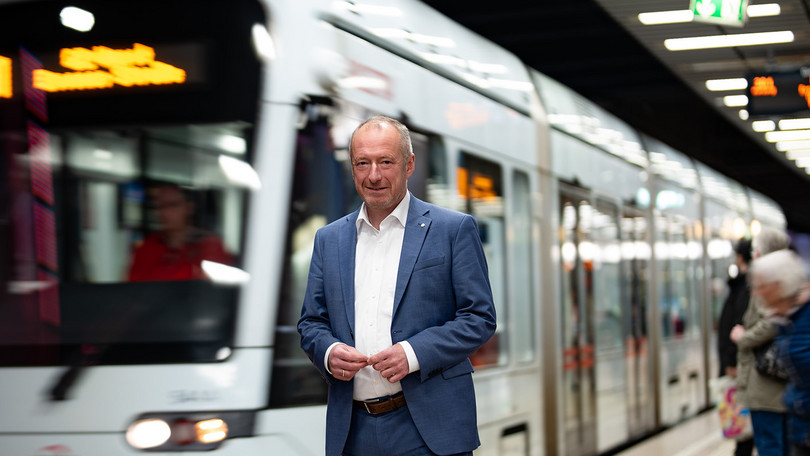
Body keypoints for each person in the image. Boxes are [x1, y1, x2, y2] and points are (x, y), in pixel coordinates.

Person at [297, 116, 497, 456]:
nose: (373, 175)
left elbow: (479, 318)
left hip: (428, 429)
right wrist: (329, 353)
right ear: (352, 167)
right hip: (353, 431)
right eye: (363, 163)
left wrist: (414, 353)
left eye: (385, 161)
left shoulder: (453, 230)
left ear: (409, 165)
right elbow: (311, 323)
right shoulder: (328, 240)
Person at [731, 227, 791, 456]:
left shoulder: (768, 281)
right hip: (781, 378)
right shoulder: (791, 279)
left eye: (755, 249)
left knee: (769, 445)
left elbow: (772, 322)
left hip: (765, 380)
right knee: (782, 445)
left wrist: (743, 337)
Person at [747, 249, 810, 456]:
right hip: (800, 430)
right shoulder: (786, 319)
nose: (757, 292)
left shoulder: (802, 318)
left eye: (762, 286)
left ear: (778, 286)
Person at [127, 183, 232, 281]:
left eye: (172, 205)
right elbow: (133, 289)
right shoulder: (148, 247)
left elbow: (217, 288)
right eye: (159, 206)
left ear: (189, 207)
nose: (164, 212)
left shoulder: (209, 246)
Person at [718, 237, 754, 455]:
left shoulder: (745, 286)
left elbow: (737, 327)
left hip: (741, 365)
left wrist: (731, 361)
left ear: (740, 257)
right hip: (741, 364)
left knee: (745, 431)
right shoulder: (743, 285)